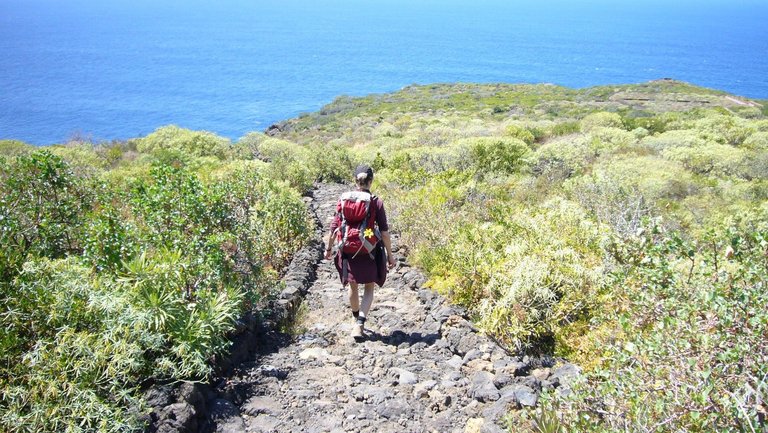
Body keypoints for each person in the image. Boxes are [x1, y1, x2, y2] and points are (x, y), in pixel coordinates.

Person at [325, 165, 396, 341]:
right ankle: (360, 324)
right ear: (371, 181)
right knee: (369, 287)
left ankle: (355, 318)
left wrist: (329, 249)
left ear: (355, 181)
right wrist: (390, 255)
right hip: (369, 249)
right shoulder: (375, 202)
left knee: (353, 285)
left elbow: (334, 227)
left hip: (348, 248)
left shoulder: (343, 200)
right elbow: (385, 233)